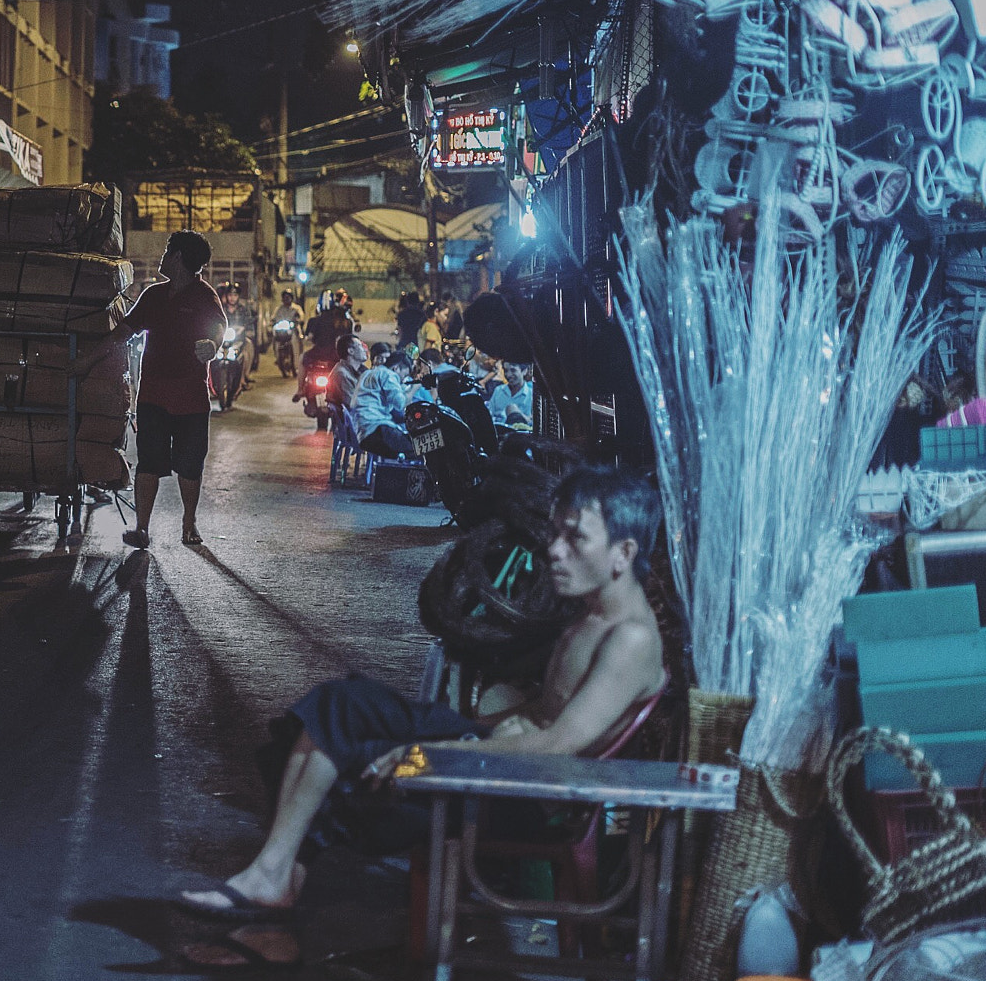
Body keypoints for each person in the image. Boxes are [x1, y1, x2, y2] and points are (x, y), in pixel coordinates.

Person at [178, 466, 667, 920]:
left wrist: (425, 754)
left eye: (575, 537)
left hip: (520, 793)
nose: (556, 550)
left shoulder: (631, 639)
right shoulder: (592, 613)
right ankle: (274, 873)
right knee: (342, 704)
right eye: (557, 533)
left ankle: (276, 881)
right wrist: (466, 730)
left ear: (623, 554)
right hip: (495, 755)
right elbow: (546, 711)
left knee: (358, 761)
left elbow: (559, 746)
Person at [119, 231, 224, 549]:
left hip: (191, 397)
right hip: (152, 395)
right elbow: (124, 329)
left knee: (190, 465)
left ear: (177, 257)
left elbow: (219, 326)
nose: (163, 257)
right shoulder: (152, 296)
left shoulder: (205, 296)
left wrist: (213, 344)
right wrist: (87, 356)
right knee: (149, 462)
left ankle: (189, 523)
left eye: (167, 251)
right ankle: (141, 529)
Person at [351, 348, 415, 459]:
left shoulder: (368, 373)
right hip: (377, 431)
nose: (402, 381)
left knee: (415, 446)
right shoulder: (388, 375)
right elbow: (401, 404)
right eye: (403, 376)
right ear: (396, 368)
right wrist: (415, 386)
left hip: (364, 432)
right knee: (422, 446)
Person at [488, 363, 535, 427]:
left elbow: (533, 424)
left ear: (524, 371)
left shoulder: (531, 394)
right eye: (506, 370)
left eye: (513, 370)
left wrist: (516, 412)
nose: (508, 375)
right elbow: (489, 416)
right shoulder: (498, 390)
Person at [271, 290, 306, 361]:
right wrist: (272, 321)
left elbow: (301, 316)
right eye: (285, 297)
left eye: (288, 297)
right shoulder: (279, 309)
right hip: (282, 329)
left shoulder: (296, 308)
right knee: (274, 337)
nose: (286, 299)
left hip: (293, 328)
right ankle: (277, 355)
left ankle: (300, 353)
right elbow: (273, 317)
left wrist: (300, 320)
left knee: (299, 334)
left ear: (291, 298)